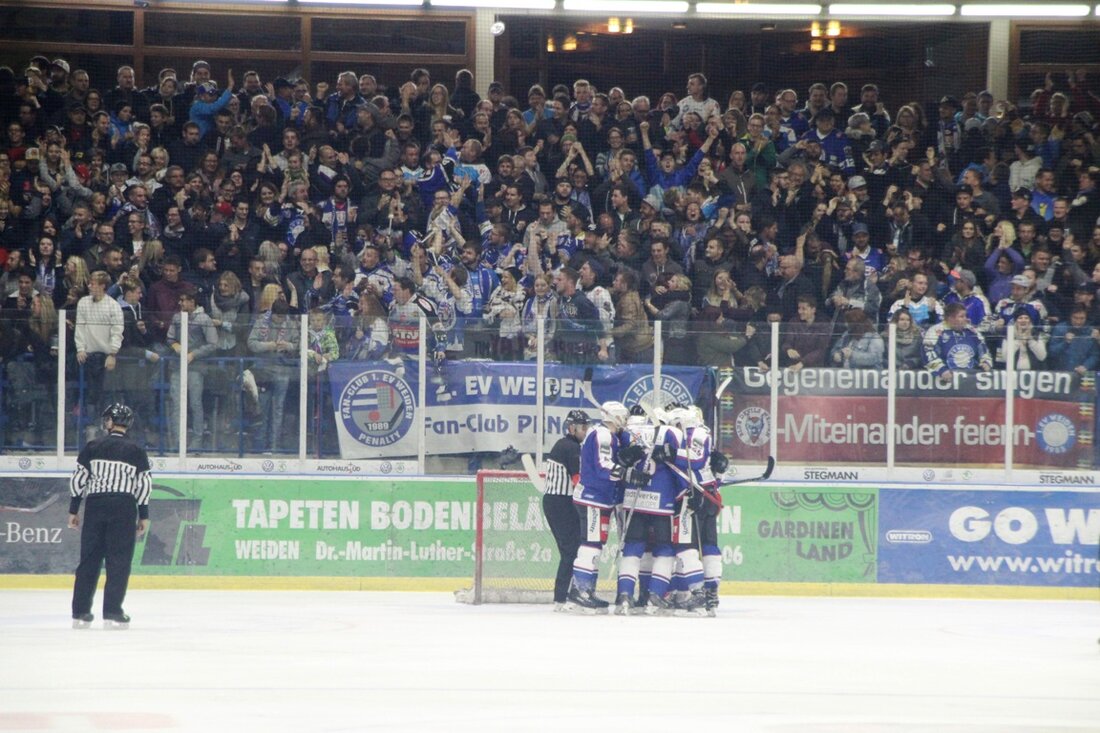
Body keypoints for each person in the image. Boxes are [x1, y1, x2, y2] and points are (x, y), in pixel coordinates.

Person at [68, 403, 152, 629]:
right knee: (119, 561)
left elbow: (79, 479)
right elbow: (143, 484)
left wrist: (74, 509)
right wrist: (143, 515)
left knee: (89, 561)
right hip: (123, 507)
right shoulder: (136, 450)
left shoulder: (93, 446)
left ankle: (80, 611)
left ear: (109, 422)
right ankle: (113, 611)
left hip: (96, 505)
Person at [567, 400, 646, 613]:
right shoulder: (602, 434)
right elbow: (603, 465)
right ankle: (580, 592)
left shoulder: (609, 435)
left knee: (595, 544)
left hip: (600, 498)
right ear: (617, 417)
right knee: (591, 545)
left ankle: (586, 591)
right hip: (592, 497)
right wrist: (627, 472)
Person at [541, 409, 589, 610]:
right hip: (562, 503)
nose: (586, 431)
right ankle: (561, 598)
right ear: (572, 428)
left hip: (554, 502)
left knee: (569, 551)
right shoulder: (571, 447)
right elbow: (577, 479)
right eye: (583, 428)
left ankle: (564, 596)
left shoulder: (563, 444)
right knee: (571, 551)